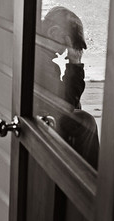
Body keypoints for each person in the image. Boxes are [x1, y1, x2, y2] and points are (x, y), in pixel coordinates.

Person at [36, 6, 99, 169]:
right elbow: (66, 107)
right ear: (54, 33)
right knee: (87, 122)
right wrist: (75, 65)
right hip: (44, 127)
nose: (64, 52)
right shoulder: (41, 63)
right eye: (67, 44)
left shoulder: (39, 55)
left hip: (44, 122)